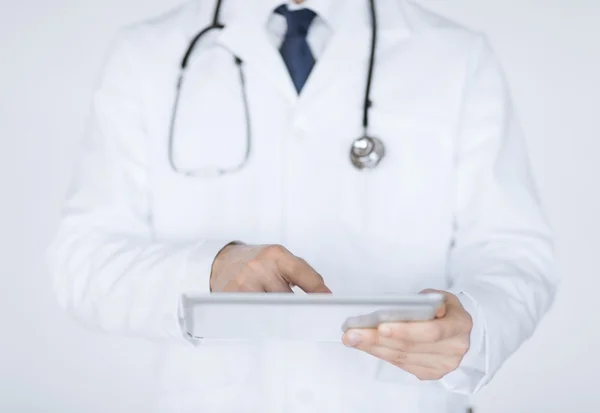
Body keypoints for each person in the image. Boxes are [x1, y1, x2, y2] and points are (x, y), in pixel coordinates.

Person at [47, 0, 558, 412]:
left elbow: (513, 252)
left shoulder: (455, 56)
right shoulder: (147, 54)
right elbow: (82, 262)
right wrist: (209, 269)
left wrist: (477, 326)